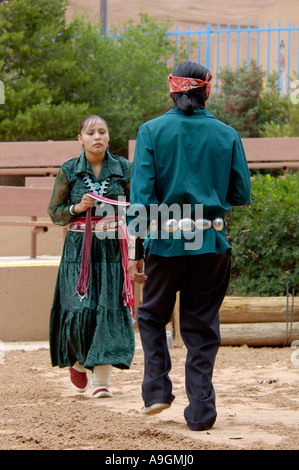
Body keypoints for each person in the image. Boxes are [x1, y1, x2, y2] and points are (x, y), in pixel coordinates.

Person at [127, 61, 251, 431]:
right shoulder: (227, 134)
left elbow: (141, 198)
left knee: (150, 315)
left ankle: (156, 391)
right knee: (201, 326)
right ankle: (201, 413)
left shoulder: (151, 131)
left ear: (173, 90)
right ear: (205, 90)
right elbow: (240, 192)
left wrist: (137, 252)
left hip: (165, 242)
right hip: (212, 242)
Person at [48, 115, 135, 399]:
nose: (97, 137)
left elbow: (137, 209)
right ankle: (76, 362)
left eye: (102, 132)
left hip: (111, 246)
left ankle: (102, 380)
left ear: (109, 137)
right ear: (80, 139)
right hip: (77, 250)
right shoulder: (69, 169)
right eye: (90, 132)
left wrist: (136, 250)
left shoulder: (124, 168)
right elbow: (55, 212)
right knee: (78, 308)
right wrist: (76, 207)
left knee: (109, 307)